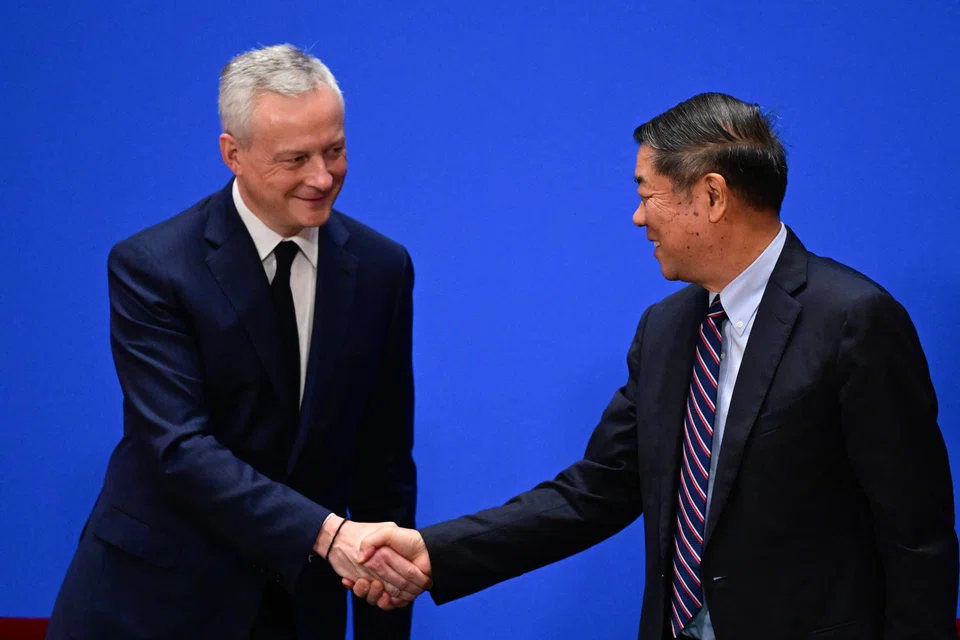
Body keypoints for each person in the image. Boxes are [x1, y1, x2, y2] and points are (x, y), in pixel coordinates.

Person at [348, 92, 959, 639]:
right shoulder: (666, 328)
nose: (639, 218)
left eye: (647, 195)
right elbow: (596, 491)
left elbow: (917, 534)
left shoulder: (853, 319)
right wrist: (434, 552)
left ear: (712, 196)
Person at [46, 44, 429, 640]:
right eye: (295, 158)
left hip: (301, 605)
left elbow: (383, 464)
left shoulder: (382, 268)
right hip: (158, 602)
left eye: (334, 150)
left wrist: (384, 627)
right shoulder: (154, 266)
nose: (322, 177)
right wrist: (327, 534)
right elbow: (179, 448)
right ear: (234, 154)